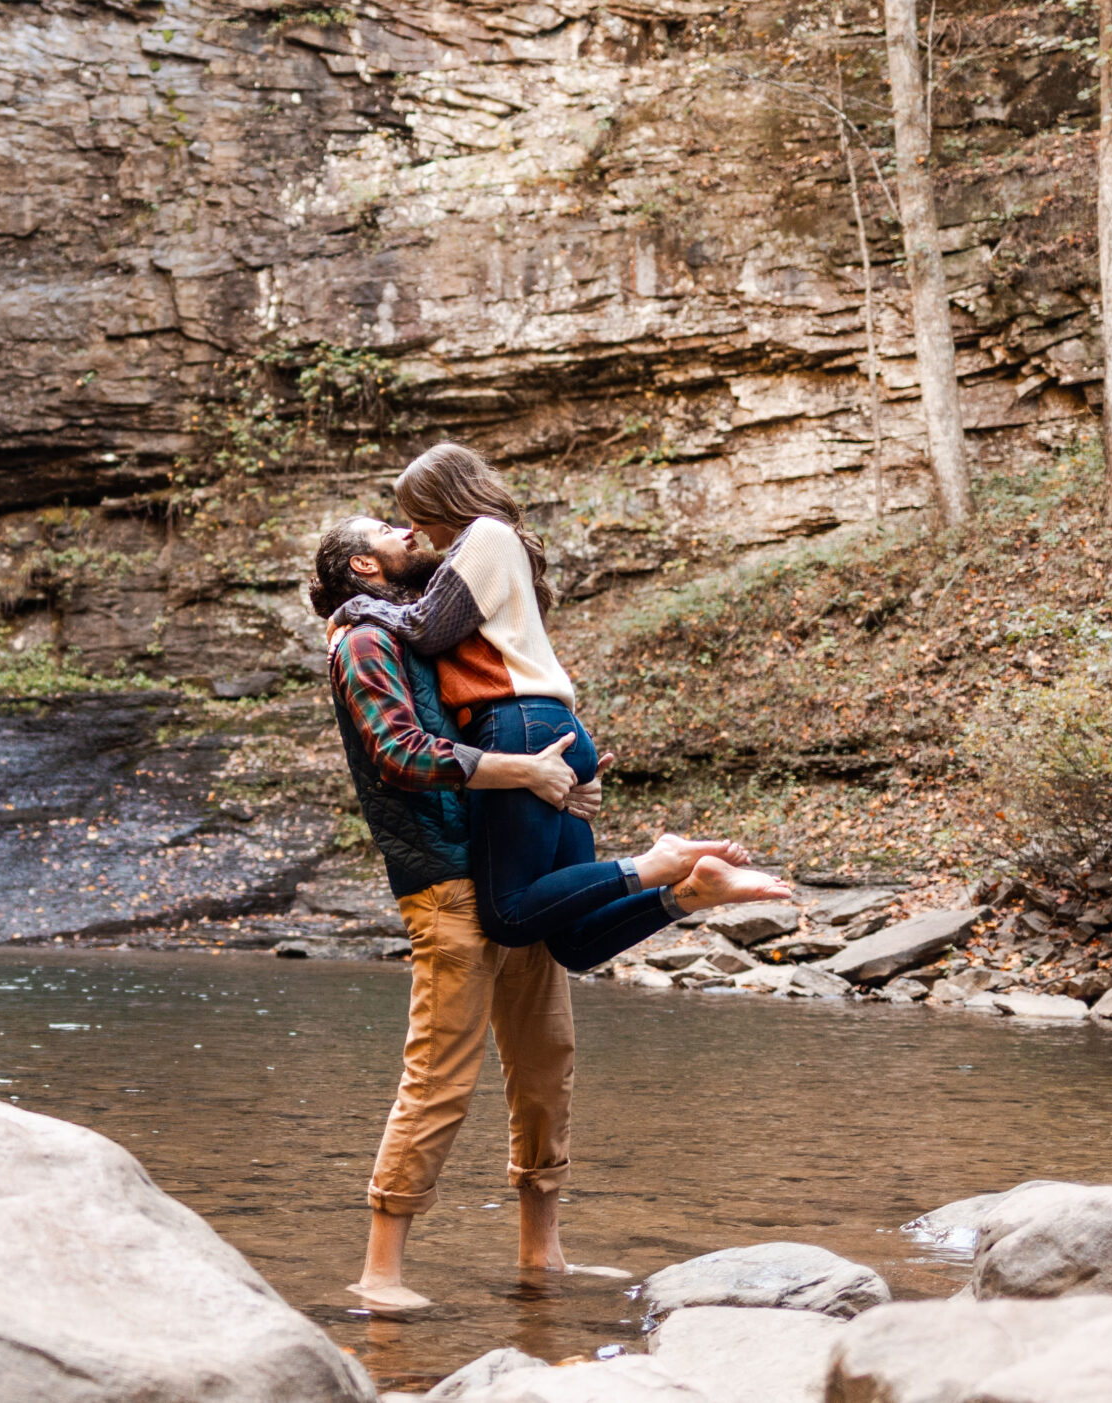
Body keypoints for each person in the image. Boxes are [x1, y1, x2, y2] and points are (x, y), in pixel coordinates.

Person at [309, 516, 771, 1313]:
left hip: (506, 865)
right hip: (445, 886)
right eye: (390, 527)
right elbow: (400, 753)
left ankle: (542, 1253)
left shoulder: (428, 634)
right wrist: (523, 768)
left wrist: (555, 785)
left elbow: (487, 727)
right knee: (439, 1077)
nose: (410, 528)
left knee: (546, 1064)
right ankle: (379, 1274)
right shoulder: (360, 642)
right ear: (363, 562)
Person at [326, 444, 792, 961]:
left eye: (416, 512)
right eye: (398, 524)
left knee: (507, 915)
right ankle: (688, 892)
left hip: (517, 723)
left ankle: (661, 859)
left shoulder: (485, 535)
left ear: (442, 499)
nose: (415, 527)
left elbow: (425, 628)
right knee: (573, 941)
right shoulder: (481, 550)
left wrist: (355, 606)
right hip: (547, 728)